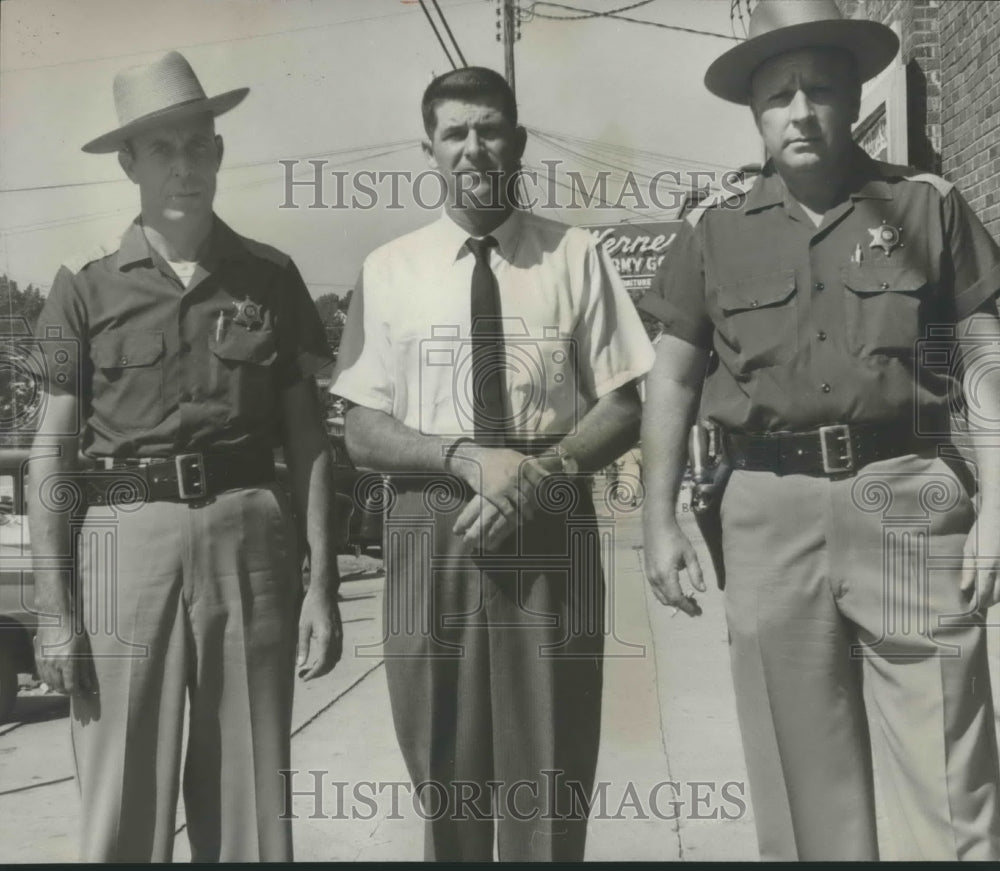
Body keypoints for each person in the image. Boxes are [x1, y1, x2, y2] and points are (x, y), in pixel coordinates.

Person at [640, 0, 1000, 861]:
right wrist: (659, 519)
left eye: (821, 90)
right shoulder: (713, 231)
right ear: (755, 112)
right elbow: (673, 375)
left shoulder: (927, 208)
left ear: (856, 95)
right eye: (779, 94)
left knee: (947, 779)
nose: (800, 111)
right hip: (767, 510)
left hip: (910, 492)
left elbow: (986, 351)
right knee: (801, 784)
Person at [331, 66, 654, 861]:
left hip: (550, 514)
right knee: (444, 753)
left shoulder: (575, 255)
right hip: (428, 521)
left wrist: (539, 474)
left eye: (490, 128)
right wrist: (462, 456)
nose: (473, 146)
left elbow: (623, 403)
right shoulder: (388, 269)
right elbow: (361, 428)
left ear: (517, 139)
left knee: (551, 752)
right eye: (455, 132)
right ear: (429, 149)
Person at [26, 51, 342, 862]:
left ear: (220, 152)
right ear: (128, 162)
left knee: (251, 806)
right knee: (121, 802)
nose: (184, 166)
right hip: (124, 540)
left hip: (250, 538)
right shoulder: (84, 285)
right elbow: (51, 455)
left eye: (198, 144)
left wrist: (324, 585)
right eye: (162, 148)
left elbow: (308, 440)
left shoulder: (270, 277)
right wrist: (57, 611)